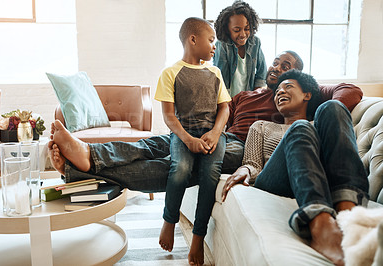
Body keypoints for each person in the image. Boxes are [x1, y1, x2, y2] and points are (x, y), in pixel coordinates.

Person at [48, 51, 364, 193]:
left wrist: (310, 94)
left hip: (245, 150)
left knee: (175, 167)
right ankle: (90, 158)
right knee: (164, 143)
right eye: (277, 63)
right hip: (222, 138)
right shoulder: (245, 95)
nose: (278, 69)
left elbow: (350, 92)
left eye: (288, 67)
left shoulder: (290, 96)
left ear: (298, 79)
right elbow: (218, 118)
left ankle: (84, 166)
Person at [221, 69, 369, 265]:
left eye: (288, 87)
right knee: (300, 127)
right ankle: (321, 226)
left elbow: (348, 92)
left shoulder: (319, 124)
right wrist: (245, 169)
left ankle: (347, 214)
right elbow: (253, 164)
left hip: (314, 177)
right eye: (277, 91)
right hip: (275, 180)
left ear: (307, 94)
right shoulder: (261, 126)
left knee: (332, 107)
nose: (280, 92)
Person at [154, 17, 231, 265]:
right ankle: (169, 220)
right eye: (211, 40)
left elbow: (225, 109)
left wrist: (216, 133)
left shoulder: (215, 72)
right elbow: (168, 116)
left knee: (210, 176)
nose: (214, 46)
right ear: (193, 39)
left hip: (212, 134)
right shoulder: (170, 73)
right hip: (182, 132)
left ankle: (198, 236)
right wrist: (188, 140)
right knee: (181, 169)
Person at [213, 0, 267, 97]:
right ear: (227, 30)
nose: (243, 34)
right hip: (227, 99)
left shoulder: (256, 43)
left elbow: (261, 73)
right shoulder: (222, 45)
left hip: (249, 98)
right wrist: (229, 105)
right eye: (237, 30)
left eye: (247, 29)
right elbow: (221, 81)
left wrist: (254, 96)